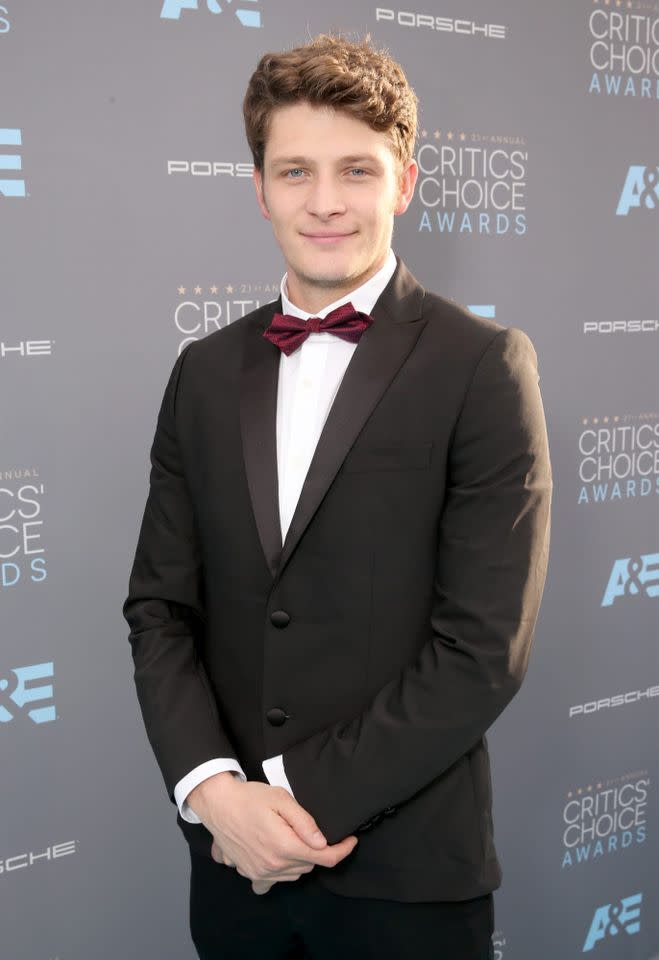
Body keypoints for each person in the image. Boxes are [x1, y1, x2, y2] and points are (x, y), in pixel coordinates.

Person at [123, 32, 552, 960]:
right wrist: (215, 795)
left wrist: (284, 797)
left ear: (403, 182)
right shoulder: (202, 372)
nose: (324, 203)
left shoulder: (483, 368)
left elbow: (482, 650)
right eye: (294, 172)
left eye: (356, 170)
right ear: (260, 187)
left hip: (407, 881)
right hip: (234, 874)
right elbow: (160, 609)